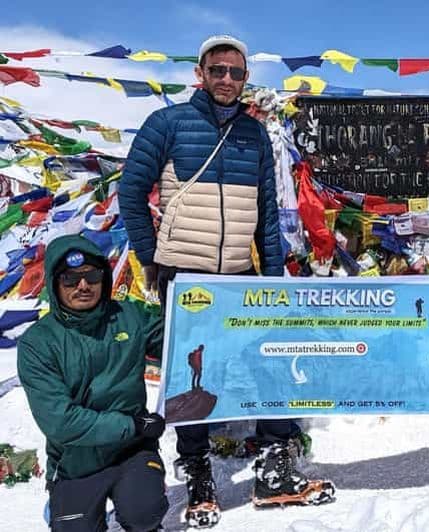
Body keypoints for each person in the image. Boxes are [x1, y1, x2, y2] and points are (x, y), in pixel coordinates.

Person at [119, 35, 334, 527]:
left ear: (245, 80)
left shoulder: (253, 135)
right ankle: (197, 473)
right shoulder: (167, 124)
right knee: (194, 378)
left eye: (237, 73)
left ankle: (275, 469)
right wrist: (151, 256)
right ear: (201, 72)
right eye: (218, 70)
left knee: (268, 363)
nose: (228, 80)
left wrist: (273, 279)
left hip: (239, 276)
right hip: (186, 275)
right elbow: (131, 192)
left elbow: (266, 216)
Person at [17, 235, 168, 531]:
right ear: (54, 283)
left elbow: (178, 338)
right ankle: (66, 504)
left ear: (104, 276)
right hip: (76, 462)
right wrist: (134, 425)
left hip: (131, 451)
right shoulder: (38, 343)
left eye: (91, 276)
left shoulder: (128, 315)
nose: (83, 286)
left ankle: (137, 500)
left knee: (145, 513)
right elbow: (61, 422)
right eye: (71, 279)